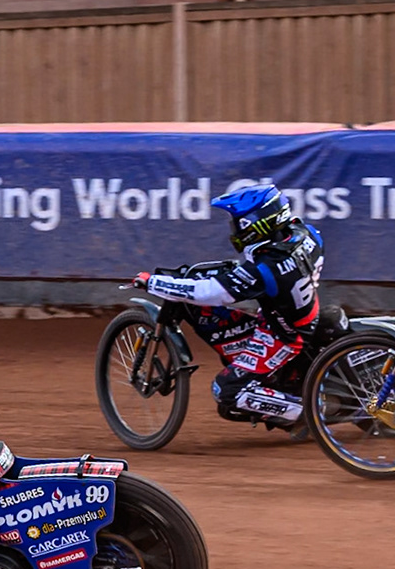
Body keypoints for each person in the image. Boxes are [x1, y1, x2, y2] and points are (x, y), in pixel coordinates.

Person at [128, 184, 331, 432]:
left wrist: (153, 283)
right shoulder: (306, 234)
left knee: (226, 390)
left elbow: (212, 292)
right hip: (297, 315)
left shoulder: (266, 268)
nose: (234, 230)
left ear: (256, 225)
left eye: (238, 224)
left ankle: (308, 412)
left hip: (284, 336)